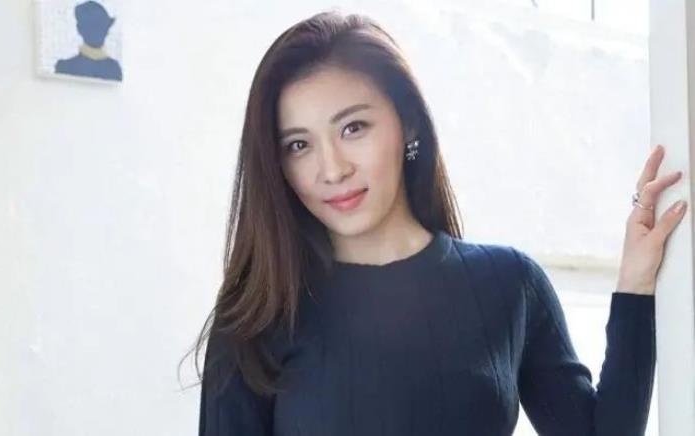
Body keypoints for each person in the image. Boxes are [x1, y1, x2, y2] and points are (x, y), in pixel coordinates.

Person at [188, 9, 687, 436]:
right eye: (299, 145)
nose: (332, 169)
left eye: (353, 128)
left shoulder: (509, 285)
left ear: (407, 123)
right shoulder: (256, 319)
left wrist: (636, 284)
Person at [54, 1, 122, 81]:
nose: (102, 32)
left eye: (103, 27)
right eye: (94, 27)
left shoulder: (114, 69)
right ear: (80, 29)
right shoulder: (65, 68)